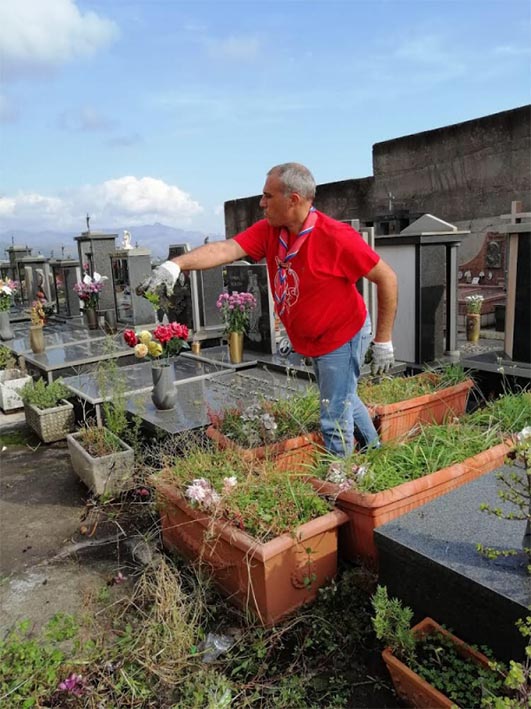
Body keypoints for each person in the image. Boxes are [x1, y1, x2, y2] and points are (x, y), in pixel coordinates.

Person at [138, 163, 398, 456]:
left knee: (333, 414)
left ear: (293, 199)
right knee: (343, 396)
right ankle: (375, 450)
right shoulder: (270, 231)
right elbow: (227, 249)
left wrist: (383, 341)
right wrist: (176, 265)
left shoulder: (336, 237)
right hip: (313, 338)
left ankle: (341, 484)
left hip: (341, 336)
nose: (261, 203)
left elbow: (386, 278)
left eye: (267, 196)